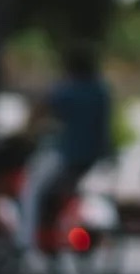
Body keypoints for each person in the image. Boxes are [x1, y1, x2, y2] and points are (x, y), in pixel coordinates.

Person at [16, 40, 114, 252]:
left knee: (31, 187)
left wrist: (25, 132)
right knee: (62, 191)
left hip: (67, 154)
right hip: (92, 156)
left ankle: (24, 241)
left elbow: (41, 110)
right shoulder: (100, 91)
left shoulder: (67, 90)